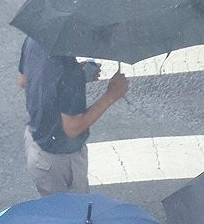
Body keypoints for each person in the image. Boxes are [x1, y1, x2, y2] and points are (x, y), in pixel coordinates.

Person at [17, 36, 129, 195]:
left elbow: (23, 80)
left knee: (58, 211)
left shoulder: (33, 41)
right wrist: (111, 95)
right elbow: (72, 127)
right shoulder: (70, 73)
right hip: (60, 160)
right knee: (77, 213)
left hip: (36, 147)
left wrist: (63, 84)